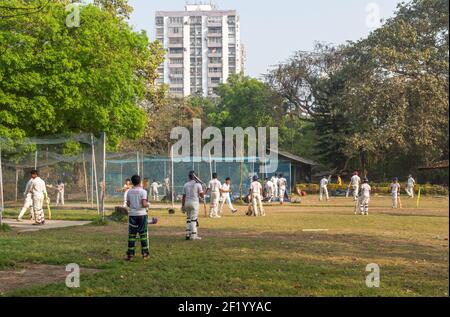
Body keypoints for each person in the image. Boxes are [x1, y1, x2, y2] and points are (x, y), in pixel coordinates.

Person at [125, 175, 151, 261]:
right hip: (142, 215)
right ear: (140, 182)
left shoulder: (129, 191)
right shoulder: (143, 191)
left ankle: (130, 254)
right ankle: (145, 254)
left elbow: (128, 204)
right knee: (143, 234)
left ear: (132, 182)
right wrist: (149, 204)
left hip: (132, 215)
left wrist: (133, 205)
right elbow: (144, 204)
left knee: (132, 235)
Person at [182, 171, 204, 240]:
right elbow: (201, 195)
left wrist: (183, 206)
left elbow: (183, 196)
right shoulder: (198, 184)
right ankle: (194, 235)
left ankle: (188, 234)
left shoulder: (186, 184)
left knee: (188, 219)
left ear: (189, 177)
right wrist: (205, 191)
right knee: (194, 220)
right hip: (194, 203)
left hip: (187, 203)